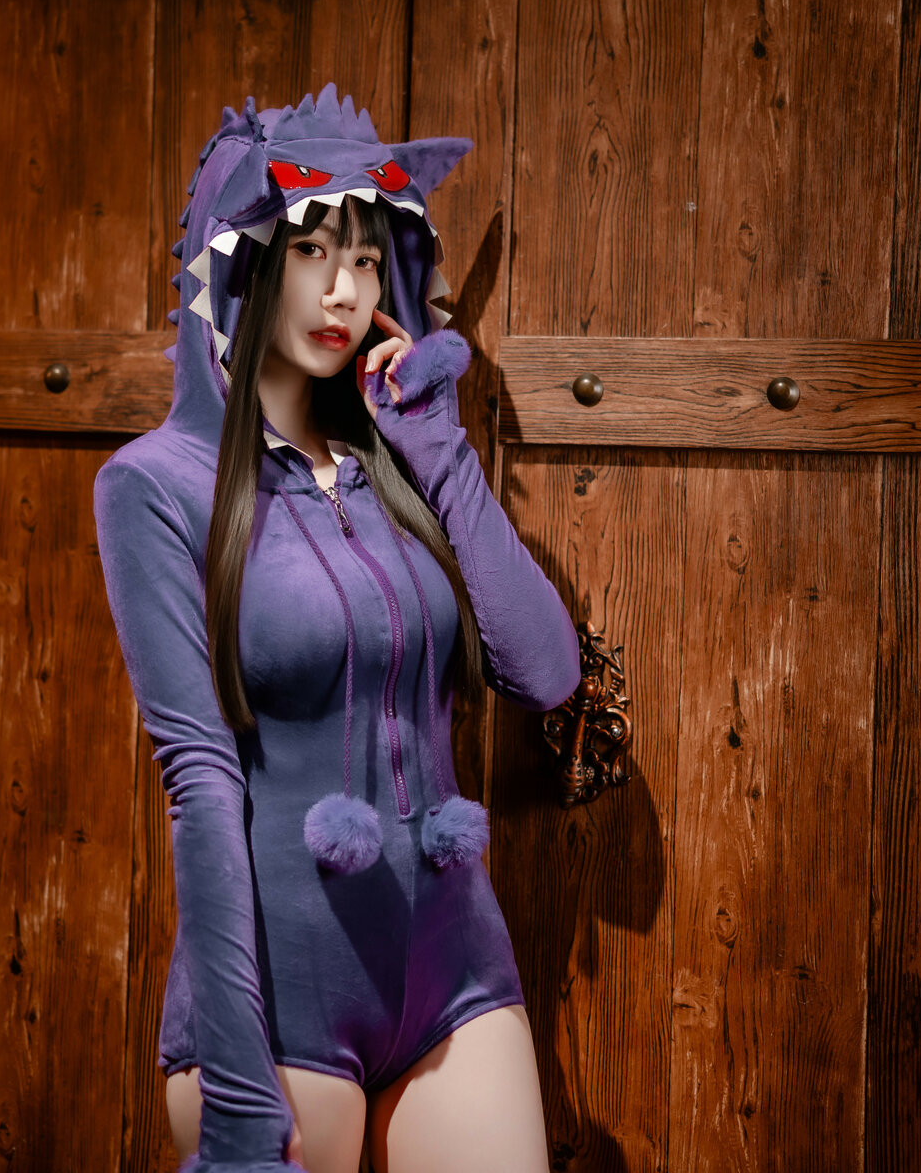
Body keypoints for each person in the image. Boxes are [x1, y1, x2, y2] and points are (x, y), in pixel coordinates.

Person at [93, 84, 582, 1173]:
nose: (346, 290)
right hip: (280, 997)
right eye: (314, 251)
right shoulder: (155, 487)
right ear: (244, 261)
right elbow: (199, 779)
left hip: (456, 976)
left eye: (366, 258)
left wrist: (439, 448)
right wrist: (233, 1082)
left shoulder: (393, 462)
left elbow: (547, 672)